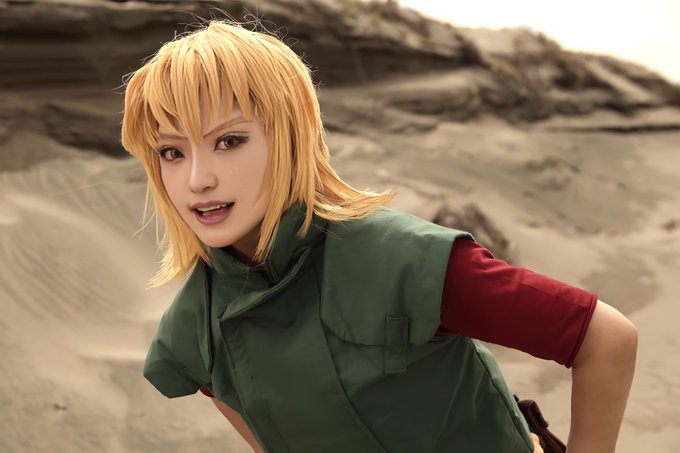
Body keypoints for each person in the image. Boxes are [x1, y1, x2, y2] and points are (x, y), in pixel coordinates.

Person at [120, 20, 637, 453]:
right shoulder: (192, 329)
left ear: (290, 138)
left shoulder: (404, 260)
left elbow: (606, 338)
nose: (197, 180)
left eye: (229, 141)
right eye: (172, 152)